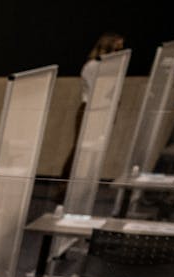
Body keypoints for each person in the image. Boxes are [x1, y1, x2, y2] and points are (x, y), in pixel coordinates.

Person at [62, 32, 124, 180]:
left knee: (96, 149)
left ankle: (85, 184)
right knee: (80, 148)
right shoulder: (92, 66)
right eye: (117, 48)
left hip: (103, 110)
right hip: (89, 109)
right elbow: (97, 91)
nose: (119, 52)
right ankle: (64, 185)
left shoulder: (112, 67)